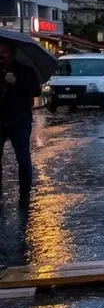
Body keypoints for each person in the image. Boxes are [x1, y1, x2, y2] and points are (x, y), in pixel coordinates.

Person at [0, 40, 38, 204]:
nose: (1, 57)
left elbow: (36, 90)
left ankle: (24, 195)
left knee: (22, 159)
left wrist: (17, 82)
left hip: (19, 120)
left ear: (12, 53)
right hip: (0, 120)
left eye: (4, 53)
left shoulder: (24, 71)